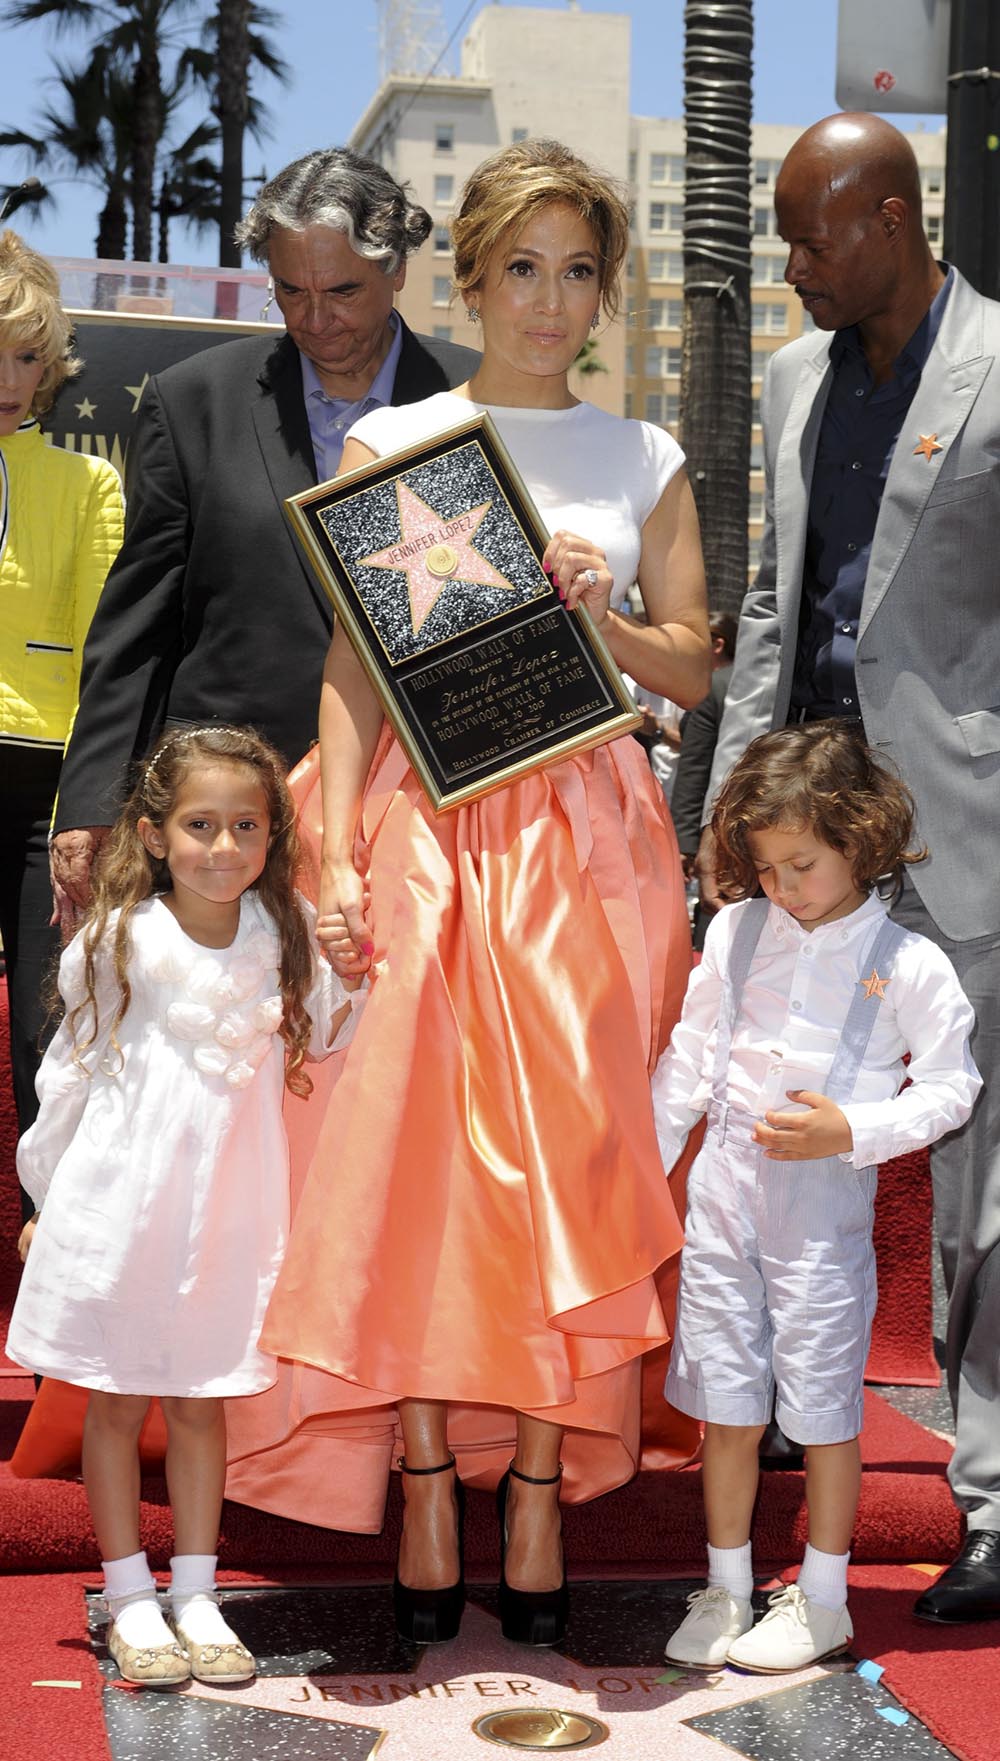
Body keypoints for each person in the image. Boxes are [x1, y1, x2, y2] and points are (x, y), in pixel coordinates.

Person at [241, 138, 710, 1648]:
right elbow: (352, 671)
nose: (548, 301)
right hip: (429, 829)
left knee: (564, 1166)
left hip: (591, 846)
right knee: (424, 1164)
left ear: (605, 291)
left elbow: (694, 661)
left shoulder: (642, 455)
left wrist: (611, 612)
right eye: (522, 268)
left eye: (579, 271)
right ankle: (432, 1461)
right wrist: (321, 853)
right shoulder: (401, 436)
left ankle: (533, 1483)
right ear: (474, 275)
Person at [697, 112, 1000, 1621]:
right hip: (813, 849)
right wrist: (733, 794)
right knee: (769, 1139)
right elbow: (776, 600)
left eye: (814, 236)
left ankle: (997, 1504)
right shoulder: (792, 376)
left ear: (891, 217)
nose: (794, 264)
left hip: (972, 831)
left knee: (983, 1184)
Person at [7, 725, 364, 1688]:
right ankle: (129, 1596)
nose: (224, 846)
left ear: (272, 835)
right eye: (200, 824)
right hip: (124, 1206)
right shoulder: (122, 937)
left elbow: (328, 1033)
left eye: (246, 825)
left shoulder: (280, 928)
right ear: (157, 834)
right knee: (116, 1402)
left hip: (228, 1214)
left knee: (203, 1405)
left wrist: (353, 968)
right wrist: (45, 1191)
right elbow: (69, 1075)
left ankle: (198, 1592)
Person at [49, 147, 479, 914]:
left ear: (399, 269)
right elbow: (138, 624)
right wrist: (87, 802)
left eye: (342, 290)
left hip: (417, 807)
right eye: (289, 291)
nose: (315, 320)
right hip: (225, 822)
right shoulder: (192, 401)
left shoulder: (472, 399)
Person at [655, 723, 980, 1673]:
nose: (780, 886)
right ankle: (723, 1584)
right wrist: (645, 1155)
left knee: (827, 1408)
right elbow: (689, 1056)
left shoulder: (902, 959)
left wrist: (855, 1129)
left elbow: (952, 1087)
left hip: (822, 1216)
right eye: (763, 866)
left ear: (860, 838)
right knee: (726, 1401)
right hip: (723, 1200)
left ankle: (826, 1597)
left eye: (800, 863)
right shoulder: (733, 931)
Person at [0, 230, 123, 1181]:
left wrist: (95, 803)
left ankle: (52, 1227)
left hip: (52, 785)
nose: (10, 376)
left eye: (28, 355)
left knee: (53, 1026)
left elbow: (108, 654)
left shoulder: (91, 482)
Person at [669, 610, 737, 948]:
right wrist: (685, 843)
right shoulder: (718, 688)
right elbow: (695, 764)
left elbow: (693, 764)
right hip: (725, 836)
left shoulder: (721, 685)